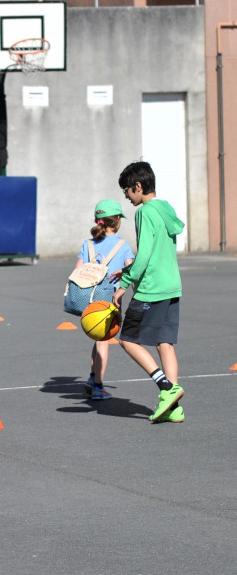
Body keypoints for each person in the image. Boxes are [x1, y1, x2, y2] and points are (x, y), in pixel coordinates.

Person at [113, 161, 186, 423]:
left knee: (128, 340)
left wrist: (124, 285)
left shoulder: (144, 213)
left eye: (127, 191)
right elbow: (156, 251)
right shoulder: (166, 208)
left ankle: (167, 388)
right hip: (171, 286)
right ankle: (174, 407)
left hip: (151, 289)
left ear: (138, 186)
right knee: (164, 343)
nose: (127, 197)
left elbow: (143, 255)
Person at [73, 200, 134, 400]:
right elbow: (131, 270)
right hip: (110, 298)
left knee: (97, 335)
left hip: (90, 297)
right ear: (116, 220)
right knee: (104, 341)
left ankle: (92, 377)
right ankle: (98, 386)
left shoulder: (88, 244)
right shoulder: (122, 245)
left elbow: (77, 271)